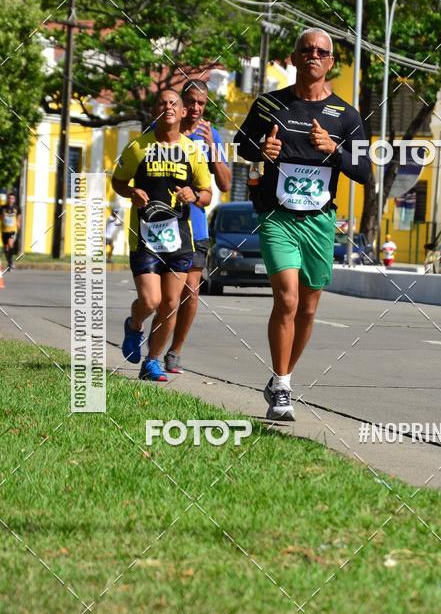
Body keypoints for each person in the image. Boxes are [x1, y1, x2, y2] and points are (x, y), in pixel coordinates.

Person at [234, 28, 371, 420]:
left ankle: (283, 375)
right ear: (293, 58)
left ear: (330, 62)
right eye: (305, 49)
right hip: (278, 216)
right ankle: (282, 386)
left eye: (321, 51)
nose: (313, 55)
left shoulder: (347, 116)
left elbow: (363, 171)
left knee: (308, 309)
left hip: (320, 221)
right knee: (287, 299)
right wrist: (262, 148)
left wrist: (336, 150)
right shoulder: (268, 104)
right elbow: (241, 145)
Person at [111, 89, 212, 381]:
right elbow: (118, 181)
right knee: (152, 300)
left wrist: (193, 194)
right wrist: (131, 191)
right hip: (145, 237)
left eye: (173, 103)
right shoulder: (137, 148)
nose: (167, 107)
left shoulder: (193, 151)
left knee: (170, 303)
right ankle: (134, 323)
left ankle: (152, 361)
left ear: (183, 113)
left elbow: (207, 193)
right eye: (162, 103)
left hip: (180, 239)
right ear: (155, 112)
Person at [164, 79, 232, 374]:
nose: (195, 108)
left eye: (201, 104)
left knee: (191, 290)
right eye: (190, 102)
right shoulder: (165, 130)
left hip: (196, 225)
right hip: (163, 224)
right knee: (162, 296)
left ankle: (174, 352)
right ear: (181, 102)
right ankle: (138, 326)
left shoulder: (211, 135)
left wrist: (213, 149)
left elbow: (226, 184)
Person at [1, 192, 21, 271]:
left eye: (12, 198)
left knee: (10, 244)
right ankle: (10, 262)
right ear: (7, 199)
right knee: (6, 248)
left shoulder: (17, 208)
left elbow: (18, 216)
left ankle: (11, 261)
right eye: (9, 198)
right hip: (4, 230)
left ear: (14, 200)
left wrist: (18, 223)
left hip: (13, 230)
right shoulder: (2, 208)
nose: (10, 200)